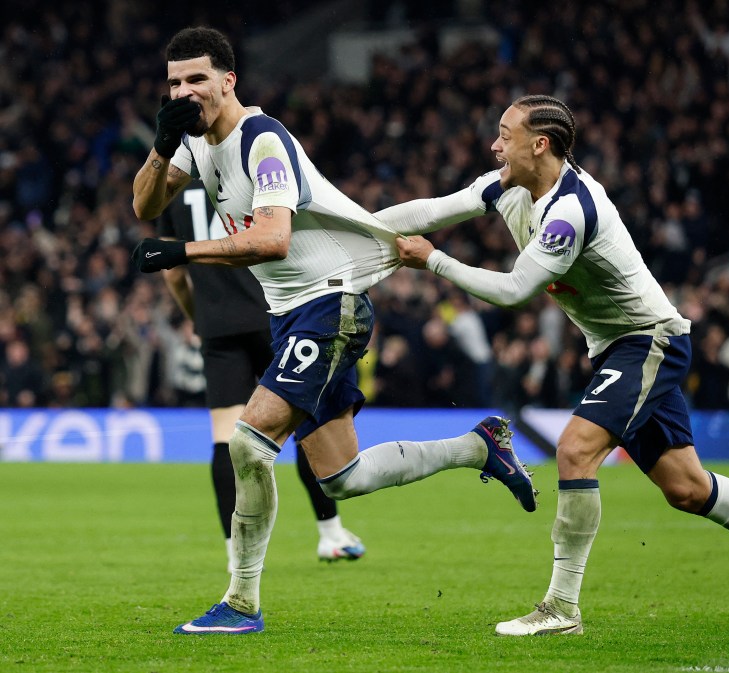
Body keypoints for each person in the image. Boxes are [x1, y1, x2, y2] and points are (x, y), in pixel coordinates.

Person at [381, 94, 729, 636]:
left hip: (648, 339)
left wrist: (434, 261)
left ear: (540, 145)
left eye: (505, 135)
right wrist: (348, 228)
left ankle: (562, 608)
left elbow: (513, 291)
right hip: (613, 347)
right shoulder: (507, 186)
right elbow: (430, 211)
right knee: (688, 489)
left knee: (574, 450)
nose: (494, 145)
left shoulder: (571, 211)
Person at [130, 26, 536, 635]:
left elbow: (273, 239)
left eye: (197, 80)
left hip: (328, 304)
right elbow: (144, 205)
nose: (185, 93)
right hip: (290, 313)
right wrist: (162, 146)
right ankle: (479, 447)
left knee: (247, 442)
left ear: (228, 81)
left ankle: (240, 604)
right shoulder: (193, 143)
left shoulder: (262, 141)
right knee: (343, 477)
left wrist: (183, 251)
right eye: (174, 83)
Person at [157, 178, 365, 566]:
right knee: (305, 424)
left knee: (225, 437)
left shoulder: (176, 190)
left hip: (218, 327)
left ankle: (235, 554)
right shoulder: (252, 173)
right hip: (274, 316)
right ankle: (331, 533)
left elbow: (172, 273)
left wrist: (200, 319)